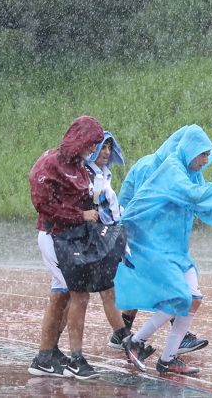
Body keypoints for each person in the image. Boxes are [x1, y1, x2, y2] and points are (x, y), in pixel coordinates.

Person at [114, 125, 212, 375]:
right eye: (203, 154)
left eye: (208, 155)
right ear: (189, 150)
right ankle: (135, 342)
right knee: (180, 298)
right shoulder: (171, 169)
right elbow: (192, 196)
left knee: (192, 299)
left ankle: (166, 358)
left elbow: (203, 209)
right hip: (152, 246)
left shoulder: (193, 174)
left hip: (175, 250)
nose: (206, 160)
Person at [116, 125, 209, 355]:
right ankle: (133, 337)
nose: (203, 160)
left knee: (173, 290)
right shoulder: (155, 168)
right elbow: (136, 204)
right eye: (201, 153)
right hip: (146, 239)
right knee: (172, 290)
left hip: (164, 241)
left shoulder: (182, 170)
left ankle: (128, 334)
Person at [27, 115, 106, 380]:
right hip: (54, 237)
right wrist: (79, 216)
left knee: (61, 295)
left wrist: (93, 206)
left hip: (71, 240)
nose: (92, 150)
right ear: (78, 139)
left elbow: (83, 200)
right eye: (91, 144)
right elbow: (43, 204)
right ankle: (75, 358)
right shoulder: (50, 163)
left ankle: (46, 354)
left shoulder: (82, 168)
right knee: (78, 295)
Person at [84, 132, 132, 350]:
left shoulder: (104, 174)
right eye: (102, 147)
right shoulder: (86, 175)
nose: (106, 152)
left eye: (109, 148)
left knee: (108, 290)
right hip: (96, 238)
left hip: (109, 236)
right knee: (80, 295)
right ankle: (124, 339)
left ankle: (124, 337)